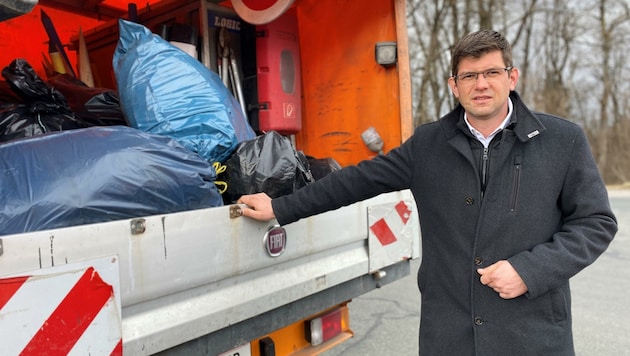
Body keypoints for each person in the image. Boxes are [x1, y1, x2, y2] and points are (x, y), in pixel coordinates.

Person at [237, 29, 618, 355]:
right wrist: (280, 207)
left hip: (533, 334)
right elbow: (355, 182)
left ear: (512, 77)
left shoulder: (562, 141)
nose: (480, 84)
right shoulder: (428, 144)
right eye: (468, 76)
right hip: (449, 336)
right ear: (454, 85)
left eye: (491, 72)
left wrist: (530, 270)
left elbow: (595, 223)